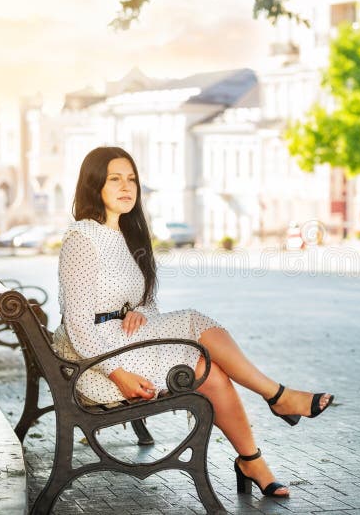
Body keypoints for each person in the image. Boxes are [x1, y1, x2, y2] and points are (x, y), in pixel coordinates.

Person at [52, 146, 334, 498]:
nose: (126, 187)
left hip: (126, 340)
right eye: (115, 179)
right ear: (95, 186)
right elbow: (78, 326)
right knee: (192, 321)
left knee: (210, 371)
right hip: (93, 364)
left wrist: (141, 312)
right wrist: (118, 373)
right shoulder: (81, 238)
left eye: (132, 179)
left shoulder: (129, 234)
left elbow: (147, 304)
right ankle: (278, 396)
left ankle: (252, 460)